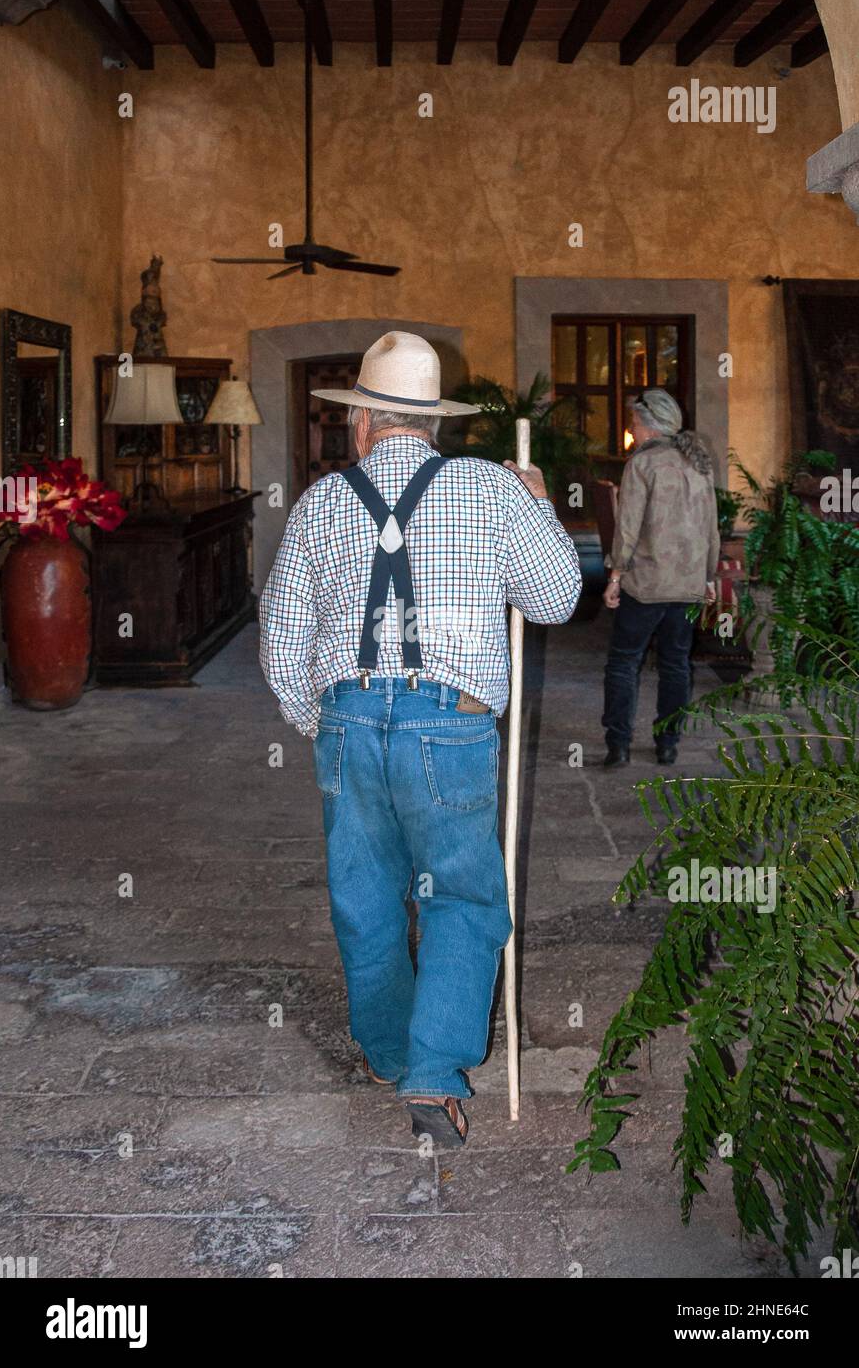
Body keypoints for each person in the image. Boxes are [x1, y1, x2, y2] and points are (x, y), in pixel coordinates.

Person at [260, 331, 581, 1146]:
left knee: (364, 901)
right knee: (464, 899)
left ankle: (385, 1050)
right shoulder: (492, 489)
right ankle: (434, 1076)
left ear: (362, 420)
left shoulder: (321, 503)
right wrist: (537, 502)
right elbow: (553, 601)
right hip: (452, 723)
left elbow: (279, 642)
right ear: (432, 424)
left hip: (348, 717)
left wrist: (318, 721)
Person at [601, 387, 719, 769]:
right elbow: (712, 529)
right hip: (686, 585)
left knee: (623, 662)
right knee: (676, 664)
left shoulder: (641, 464)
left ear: (649, 426)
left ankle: (618, 745)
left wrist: (615, 576)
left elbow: (628, 529)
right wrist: (709, 577)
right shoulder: (698, 463)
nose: (632, 430)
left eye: (634, 423)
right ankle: (668, 744)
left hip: (646, 585)